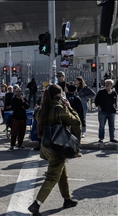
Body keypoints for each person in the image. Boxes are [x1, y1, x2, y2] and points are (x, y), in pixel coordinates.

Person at [28, 84, 81, 215]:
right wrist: (69, 107)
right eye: (62, 94)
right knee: (52, 177)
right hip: (59, 147)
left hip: (47, 145)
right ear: (58, 96)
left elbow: (36, 117)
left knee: (62, 173)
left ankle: (67, 199)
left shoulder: (42, 109)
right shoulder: (59, 109)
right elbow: (76, 122)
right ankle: (36, 204)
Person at [94, 79, 118, 143]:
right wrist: (98, 106)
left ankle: (112, 138)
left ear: (112, 85)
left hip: (112, 111)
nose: (107, 85)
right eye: (106, 83)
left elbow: (115, 101)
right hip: (103, 111)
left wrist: (116, 106)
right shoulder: (101, 92)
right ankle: (101, 138)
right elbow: (96, 100)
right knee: (102, 126)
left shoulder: (114, 93)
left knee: (112, 126)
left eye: (108, 83)